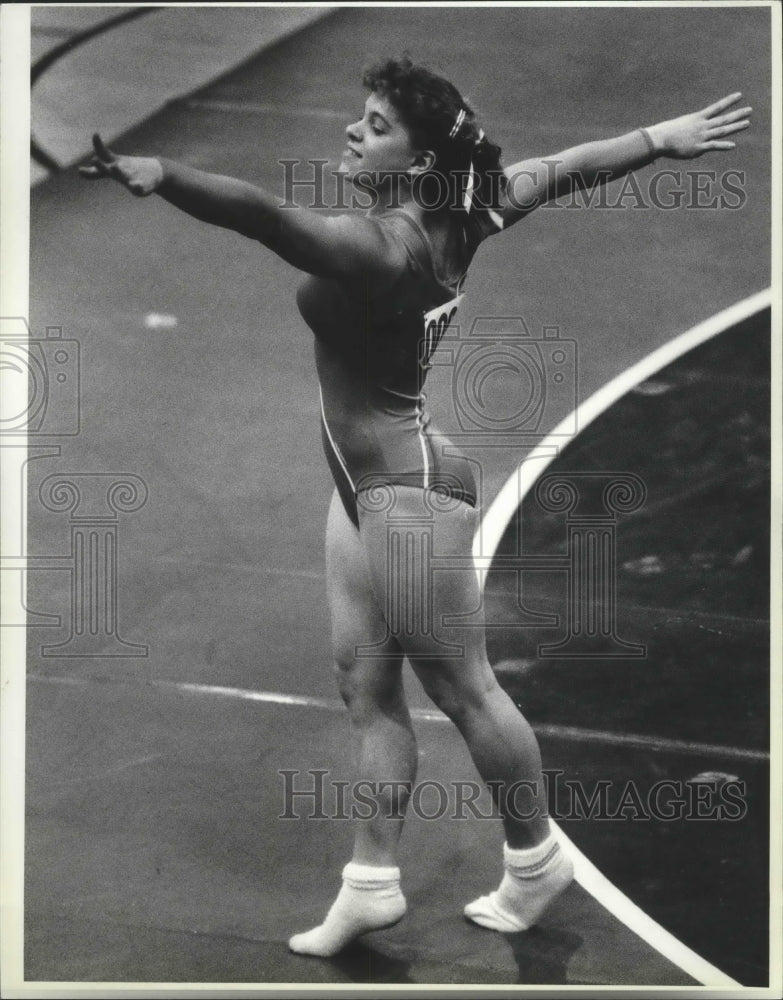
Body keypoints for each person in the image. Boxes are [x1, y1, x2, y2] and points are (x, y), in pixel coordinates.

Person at [81, 57, 752, 957]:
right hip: (367, 485)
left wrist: (165, 176)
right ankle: (371, 883)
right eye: (359, 115)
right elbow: (561, 170)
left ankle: (535, 856)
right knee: (364, 685)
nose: (353, 131)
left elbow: (263, 215)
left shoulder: (379, 248)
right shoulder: (465, 214)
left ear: (421, 155)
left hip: (408, 492)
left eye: (376, 122)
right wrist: (653, 140)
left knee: (464, 689)